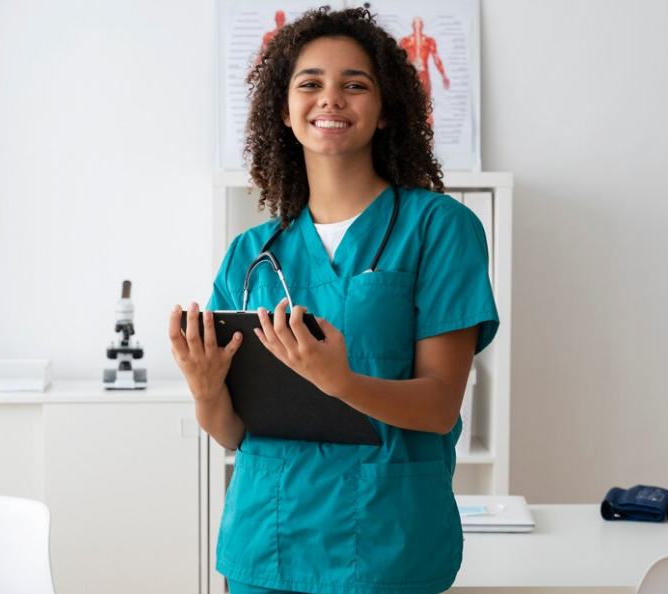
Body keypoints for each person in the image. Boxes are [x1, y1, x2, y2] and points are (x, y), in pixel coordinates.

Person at [169, 7, 499, 594]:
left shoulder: (439, 229)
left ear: (386, 110)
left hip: (386, 547)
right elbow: (235, 433)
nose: (331, 99)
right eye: (310, 84)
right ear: (284, 111)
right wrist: (204, 387)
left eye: (355, 84)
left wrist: (339, 381)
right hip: (265, 547)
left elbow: (439, 406)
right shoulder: (251, 253)